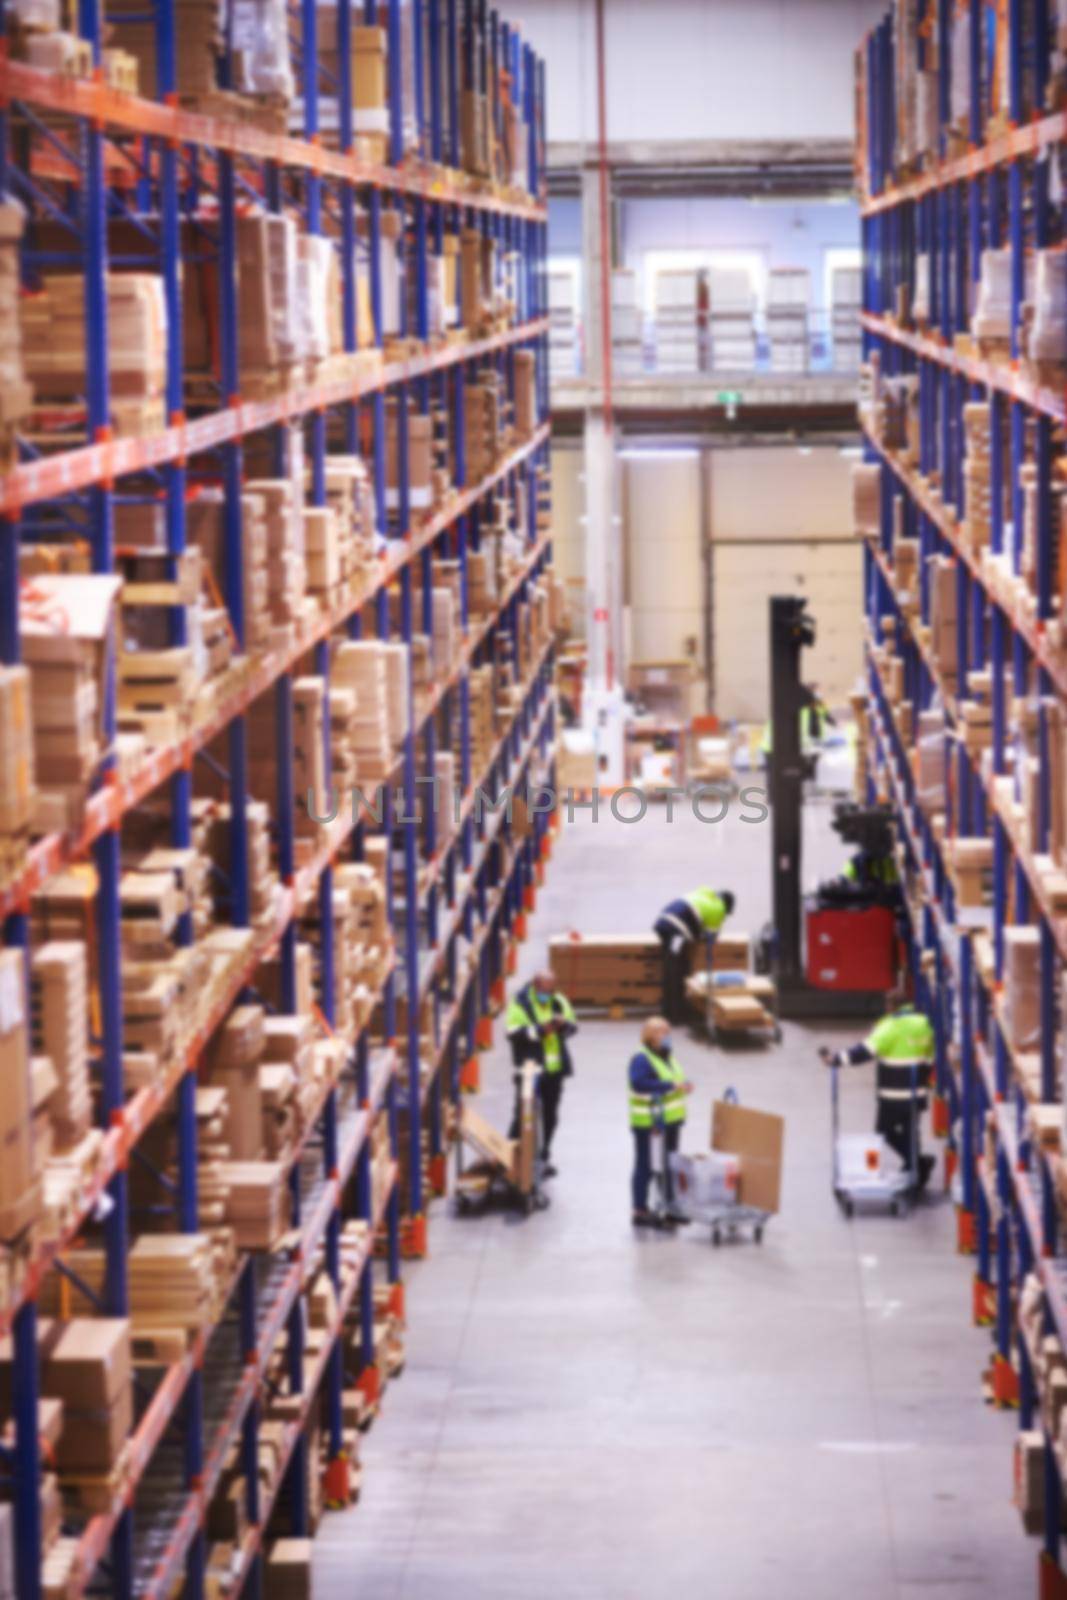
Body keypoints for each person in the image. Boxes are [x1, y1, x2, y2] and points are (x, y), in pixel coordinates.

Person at [820, 1000, 937, 1189]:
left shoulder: (890, 1027)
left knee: (884, 1131)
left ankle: (919, 1164)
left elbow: (863, 1052)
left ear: (891, 1007)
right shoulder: (925, 1025)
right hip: (917, 1093)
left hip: (893, 1095)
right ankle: (914, 1168)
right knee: (911, 1132)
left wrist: (836, 1059)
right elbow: (931, 1057)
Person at [505, 968, 578, 1177]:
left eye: (551, 990)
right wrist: (539, 1030)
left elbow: (574, 1026)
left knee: (551, 1115)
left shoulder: (558, 1001)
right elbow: (512, 1032)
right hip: (530, 1070)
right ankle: (511, 1158)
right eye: (544, 991)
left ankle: (544, 1155)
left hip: (554, 1071)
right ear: (535, 986)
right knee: (523, 1115)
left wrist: (563, 1026)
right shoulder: (520, 1002)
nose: (547, 995)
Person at [628, 1016, 694, 1229]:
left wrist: (683, 1085)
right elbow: (639, 1084)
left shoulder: (667, 1056)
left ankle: (669, 1207)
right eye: (662, 1033)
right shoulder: (641, 1058)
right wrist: (671, 1086)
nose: (667, 1037)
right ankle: (640, 1210)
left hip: (671, 1121)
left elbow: (672, 1080)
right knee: (646, 1166)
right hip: (650, 1123)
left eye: (668, 1032)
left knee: (669, 1166)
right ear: (651, 1035)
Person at [653, 886, 735, 1025]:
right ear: (727, 907)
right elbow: (711, 937)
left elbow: (696, 916)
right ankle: (674, 1014)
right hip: (676, 930)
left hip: (663, 922)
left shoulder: (706, 893)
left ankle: (668, 1010)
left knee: (673, 965)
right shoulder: (719, 908)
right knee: (674, 969)